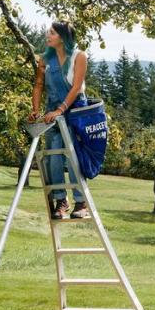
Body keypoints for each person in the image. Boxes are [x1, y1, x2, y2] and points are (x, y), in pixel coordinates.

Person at [30, 21, 90, 220]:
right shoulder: (44, 60)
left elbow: (76, 88)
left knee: (73, 155)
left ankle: (81, 202)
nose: (48, 34)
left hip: (74, 112)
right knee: (53, 156)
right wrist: (36, 110)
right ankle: (60, 201)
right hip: (52, 113)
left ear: (63, 38)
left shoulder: (79, 57)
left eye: (52, 32)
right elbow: (39, 85)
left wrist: (61, 109)